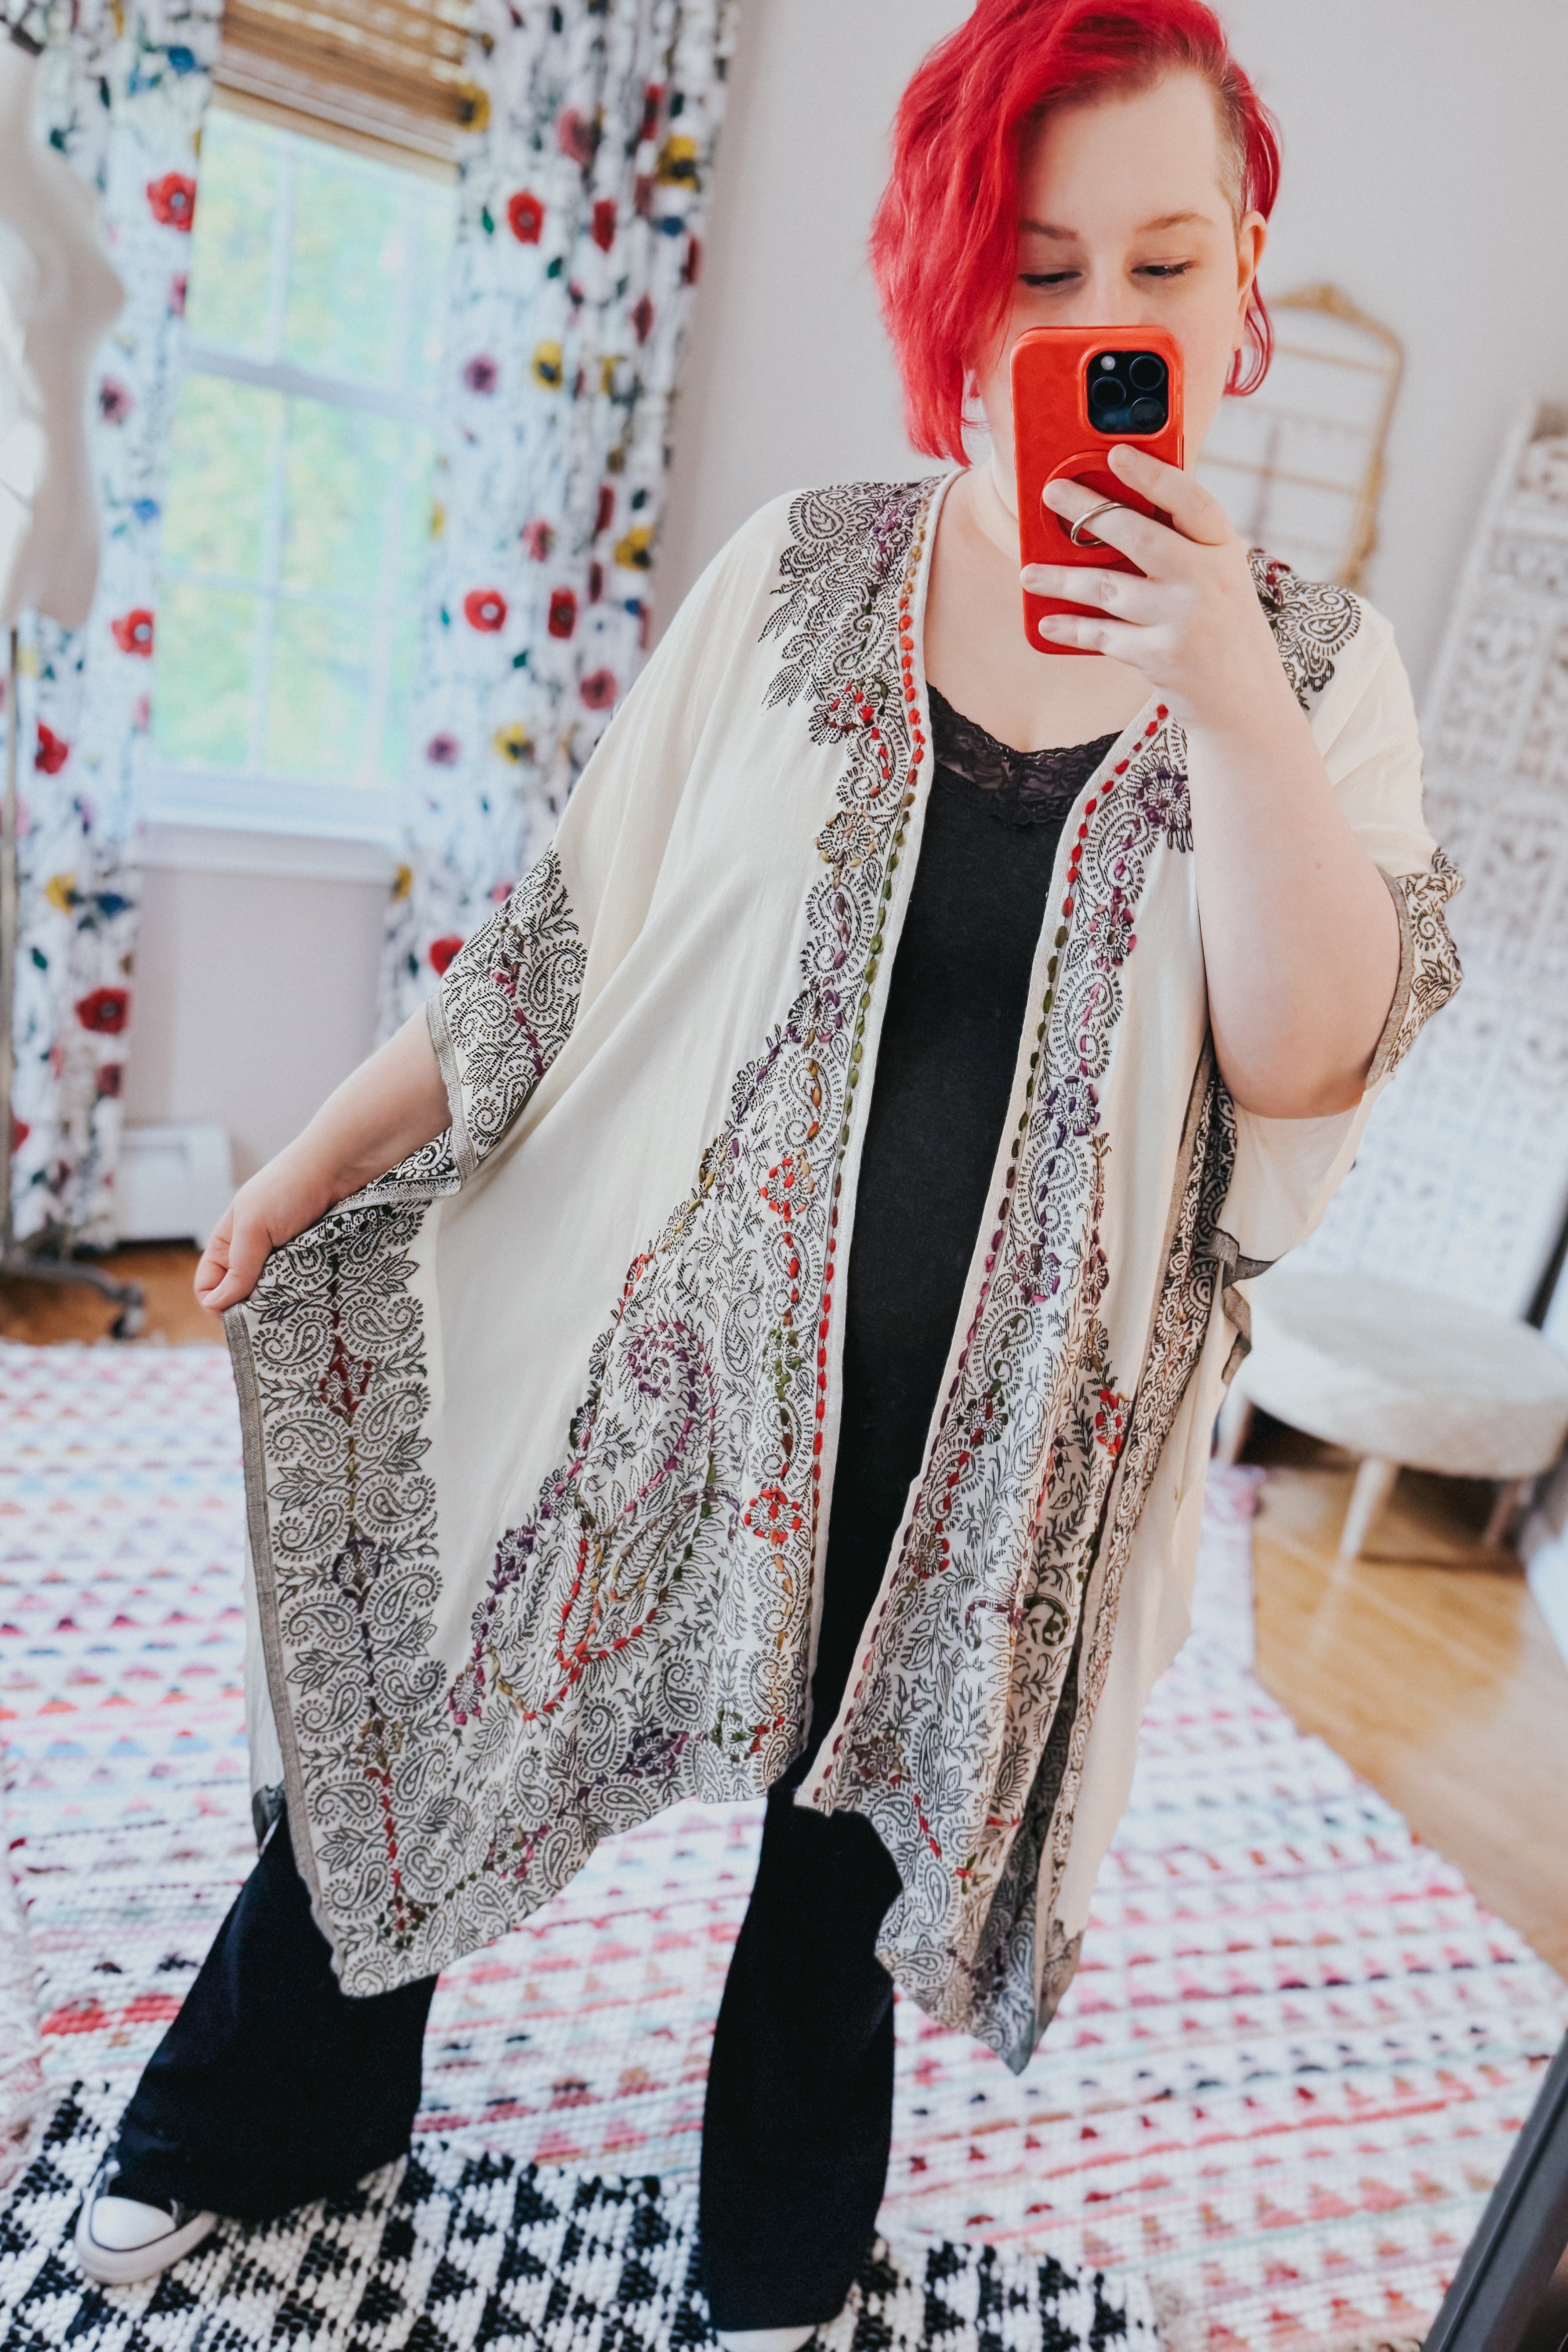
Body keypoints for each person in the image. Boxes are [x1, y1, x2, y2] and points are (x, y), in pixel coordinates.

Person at [76, 0, 1462, 2335]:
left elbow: (1309, 1053)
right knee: (420, 1702)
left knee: (836, 1885)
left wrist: (1223, 684)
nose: (1104, 322)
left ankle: (779, 2250)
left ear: (1247, 272)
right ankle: (270, 2104)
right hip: (668, 1373)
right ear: (955, 285)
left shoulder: (1317, 678)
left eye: (1160, 260)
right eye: (1038, 268)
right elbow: (559, 935)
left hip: (1001, 1455)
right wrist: (318, 1153)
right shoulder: (805, 571)